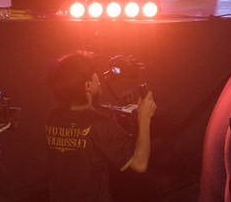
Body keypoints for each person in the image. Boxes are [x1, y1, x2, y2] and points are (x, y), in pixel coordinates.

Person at [44, 51, 155, 201]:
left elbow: (82, 115)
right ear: (87, 85)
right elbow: (140, 163)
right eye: (93, 73)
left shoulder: (52, 117)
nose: (98, 76)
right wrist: (144, 117)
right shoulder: (100, 124)